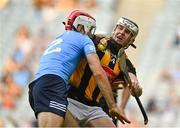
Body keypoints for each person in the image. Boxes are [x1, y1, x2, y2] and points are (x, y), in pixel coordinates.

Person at [28, 10, 130, 127]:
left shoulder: (61, 37)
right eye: (90, 29)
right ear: (82, 26)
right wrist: (112, 106)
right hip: (53, 85)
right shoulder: (84, 40)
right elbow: (98, 73)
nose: (91, 34)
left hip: (38, 84)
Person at [63, 17, 142, 127]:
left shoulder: (125, 62)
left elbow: (134, 83)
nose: (122, 33)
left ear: (131, 40)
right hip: (70, 98)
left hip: (94, 107)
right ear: (114, 29)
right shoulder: (95, 41)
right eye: (120, 28)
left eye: (127, 32)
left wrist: (136, 87)